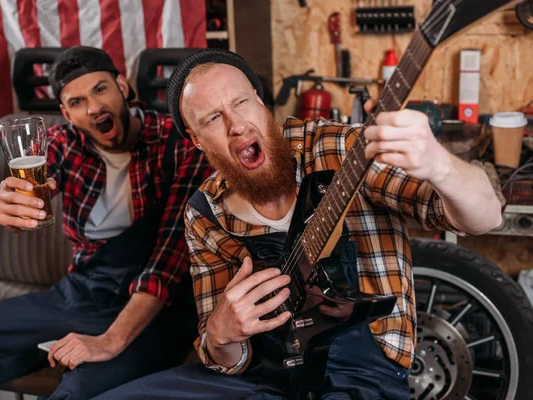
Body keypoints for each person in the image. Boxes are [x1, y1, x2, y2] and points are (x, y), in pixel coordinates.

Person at [91, 49, 502, 399]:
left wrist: (440, 167)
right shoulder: (206, 212)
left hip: (361, 373)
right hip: (263, 379)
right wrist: (219, 336)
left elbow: (485, 217)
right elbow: (229, 362)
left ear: (260, 100)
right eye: (213, 119)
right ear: (197, 140)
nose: (236, 126)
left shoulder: (341, 149)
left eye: (240, 103)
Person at [0, 46, 212, 400]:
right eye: (77, 102)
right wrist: (13, 204)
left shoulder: (179, 142)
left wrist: (111, 341)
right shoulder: (64, 143)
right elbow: (41, 179)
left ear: (122, 87)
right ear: (66, 113)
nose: (94, 107)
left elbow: (169, 259)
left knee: (77, 393)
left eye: (100, 89)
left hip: (159, 307)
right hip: (83, 293)